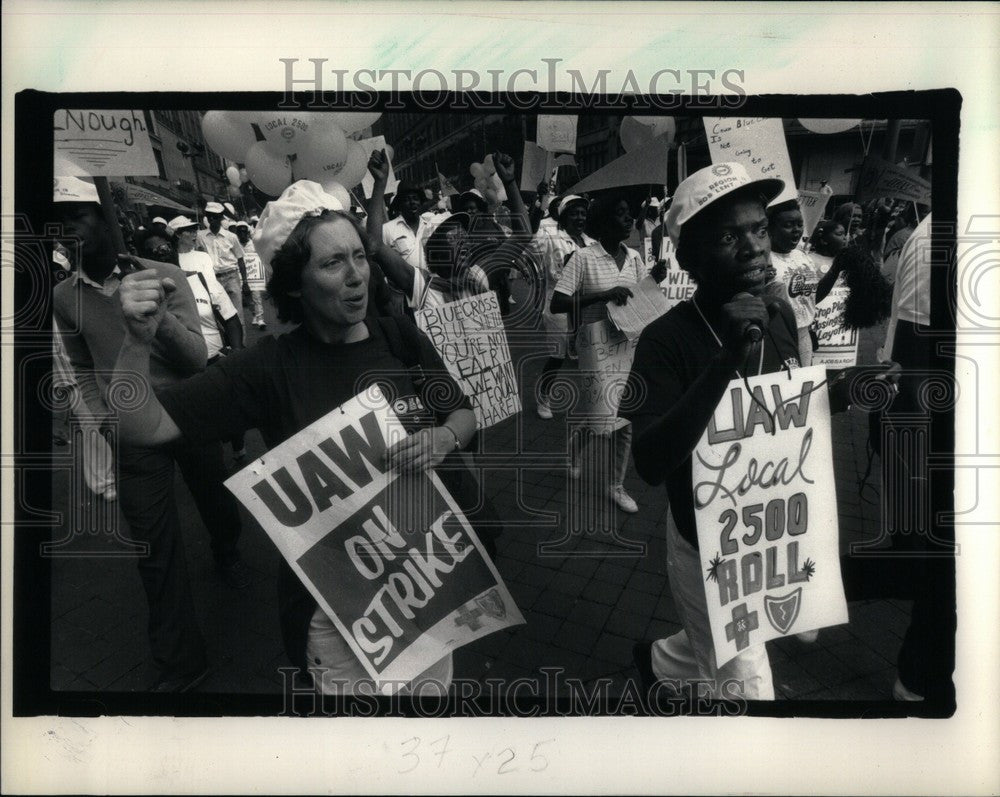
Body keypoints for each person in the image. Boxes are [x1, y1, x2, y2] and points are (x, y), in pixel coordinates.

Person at [109, 179, 480, 695]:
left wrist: (444, 440)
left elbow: (463, 412)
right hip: (340, 613)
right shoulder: (266, 369)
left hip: (431, 582)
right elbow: (139, 424)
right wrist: (135, 342)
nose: (356, 277)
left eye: (359, 256)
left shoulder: (399, 336)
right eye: (332, 264)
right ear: (294, 284)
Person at [623, 162, 898, 702]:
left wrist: (841, 392)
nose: (753, 247)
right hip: (707, 548)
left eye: (758, 229)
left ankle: (661, 659)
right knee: (748, 690)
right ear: (687, 256)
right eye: (728, 236)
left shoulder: (778, 314)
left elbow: (781, 406)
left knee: (724, 646)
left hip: (768, 531)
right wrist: (727, 358)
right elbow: (651, 464)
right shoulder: (664, 340)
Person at [52, 176, 214, 692]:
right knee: (155, 548)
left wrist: (156, 317)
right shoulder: (63, 295)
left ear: (103, 215)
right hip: (129, 430)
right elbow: (79, 363)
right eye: (55, 221)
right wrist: (100, 416)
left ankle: (230, 548)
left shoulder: (165, 274)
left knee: (218, 502)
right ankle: (180, 659)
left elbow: (198, 358)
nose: (63, 230)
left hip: (189, 414)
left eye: (74, 215)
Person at [550, 193, 651, 514]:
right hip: (594, 345)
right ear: (603, 222)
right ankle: (574, 450)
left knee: (625, 418)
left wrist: (654, 282)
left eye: (630, 214)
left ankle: (615, 486)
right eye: (621, 214)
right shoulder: (583, 258)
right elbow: (559, 302)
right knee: (598, 416)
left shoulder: (635, 258)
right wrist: (604, 294)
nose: (628, 220)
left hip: (627, 344)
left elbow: (639, 300)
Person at [366, 150, 531, 314]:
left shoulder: (477, 277)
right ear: (438, 253)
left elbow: (523, 235)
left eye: (465, 241)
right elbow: (374, 245)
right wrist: (380, 183)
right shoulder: (422, 286)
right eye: (455, 240)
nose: (465, 246)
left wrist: (510, 182)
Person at [531, 194, 595, 422]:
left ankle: (595, 400)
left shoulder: (590, 242)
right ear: (564, 216)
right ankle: (544, 397)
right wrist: (537, 210)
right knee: (557, 357)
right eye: (574, 213)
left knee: (589, 355)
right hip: (558, 306)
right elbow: (531, 245)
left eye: (583, 213)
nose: (580, 217)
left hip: (584, 307)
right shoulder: (550, 237)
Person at [762, 199, 821, 367]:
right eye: (788, 225)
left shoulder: (802, 256)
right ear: (770, 229)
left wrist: (835, 270)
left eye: (799, 224)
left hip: (803, 335)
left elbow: (814, 296)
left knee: (803, 385)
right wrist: (760, 281)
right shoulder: (763, 260)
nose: (796, 230)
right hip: (774, 336)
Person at [198, 201, 249, 326]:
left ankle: (240, 344)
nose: (211, 219)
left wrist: (246, 283)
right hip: (212, 279)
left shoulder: (231, 236)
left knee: (237, 313)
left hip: (231, 277)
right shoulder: (200, 236)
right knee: (219, 314)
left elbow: (240, 259)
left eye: (215, 216)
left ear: (221, 218)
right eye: (209, 215)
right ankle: (228, 343)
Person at [232, 220, 268, 329]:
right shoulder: (235, 244)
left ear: (247, 232)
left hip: (254, 273)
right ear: (237, 233)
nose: (242, 234)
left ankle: (260, 319)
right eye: (240, 232)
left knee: (256, 296)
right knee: (247, 298)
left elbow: (261, 257)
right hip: (241, 274)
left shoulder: (253, 244)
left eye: (244, 231)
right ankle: (254, 314)